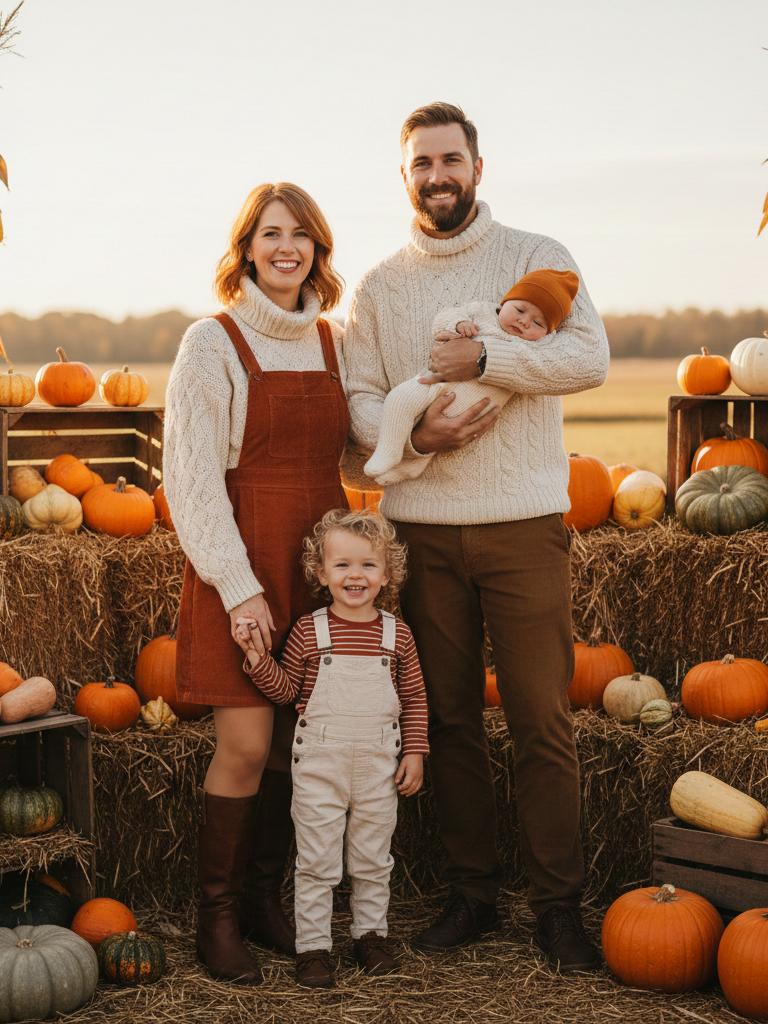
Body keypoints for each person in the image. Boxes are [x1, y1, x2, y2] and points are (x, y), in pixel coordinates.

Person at [342, 102, 610, 972]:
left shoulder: (539, 256)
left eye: (450, 160)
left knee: (541, 718)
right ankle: (472, 892)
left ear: (478, 168)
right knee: (448, 718)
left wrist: (490, 361)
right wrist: (418, 437)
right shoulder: (377, 288)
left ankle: (557, 907)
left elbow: (589, 359)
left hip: (523, 525)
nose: (437, 176)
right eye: (421, 164)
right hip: (420, 534)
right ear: (405, 177)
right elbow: (359, 403)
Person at [163, 182, 348, 986]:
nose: (286, 248)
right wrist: (239, 588)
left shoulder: (334, 341)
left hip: (317, 561)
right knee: (245, 745)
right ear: (245, 248)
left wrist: (426, 430)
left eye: (301, 235)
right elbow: (191, 481)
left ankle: (268, 900)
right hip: (241, 555)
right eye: (270, 233)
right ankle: (219, 916)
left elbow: (363, 446)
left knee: (294, 747)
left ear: (317, 250)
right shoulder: (212, 343)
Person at [234, 509, 429, 989]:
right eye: (342, 565)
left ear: (387, 574)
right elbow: (286, 692)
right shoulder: (309, 630)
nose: (355, 575)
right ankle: (314, 948)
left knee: (373, 858)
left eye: (368, 565)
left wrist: (414, 752)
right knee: (317, 861)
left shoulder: (397, 635)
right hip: (320, 766)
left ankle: (371, 937)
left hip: (379, 767)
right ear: (321, 573)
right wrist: (257, 657)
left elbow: (413, 698)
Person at [363, 268, 579, 484]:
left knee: (448, 421)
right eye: (520, 310)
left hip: (476, 399)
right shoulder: (481, 311)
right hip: (438, 377)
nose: (524, 321)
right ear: (506, 302)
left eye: (538, 323)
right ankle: (389, 450)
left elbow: (555, 363)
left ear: (548, 332)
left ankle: (412, 464)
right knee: (400, 398)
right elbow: (444, 319)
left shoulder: (539, 345)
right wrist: (457, 325)